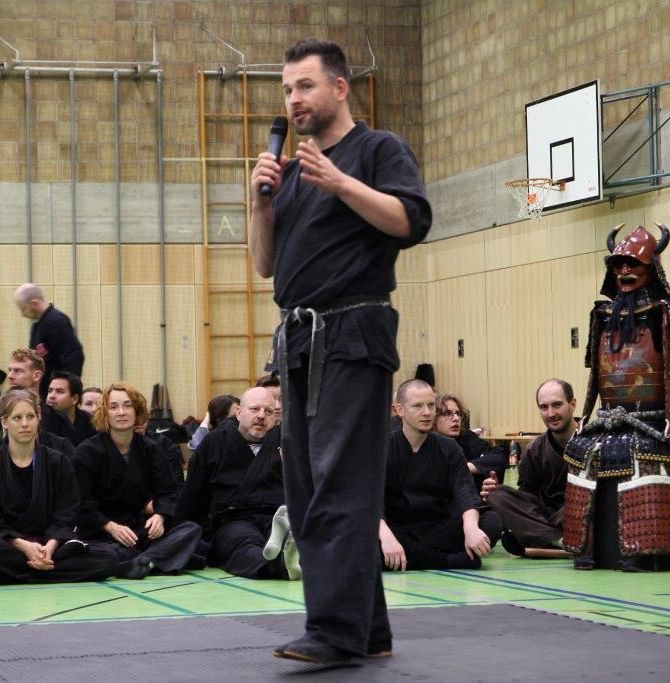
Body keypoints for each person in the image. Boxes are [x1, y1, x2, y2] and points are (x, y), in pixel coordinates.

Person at [249, 38, 432, 663]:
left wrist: (341, 182)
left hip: (353, 331)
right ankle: (368, 631)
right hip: (299, 340)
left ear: (339, 87)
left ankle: (332, 630)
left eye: (304, 86)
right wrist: (260, 201)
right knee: (306, 486)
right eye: (287, 90)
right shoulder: (292, 173)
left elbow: (410, 221)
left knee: (340, 484)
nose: (293, 99)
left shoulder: (377, 150)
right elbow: (264, 265)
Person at [563, 225, 670, 571]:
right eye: (618, 264)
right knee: (581, 453)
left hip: (653, 417)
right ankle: (585, 549)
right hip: (610, 417)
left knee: (646, 455)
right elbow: (596, 372)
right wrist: (586, 415)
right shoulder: (602, 315)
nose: (624, 271)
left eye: (633, 264)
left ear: (651, 267)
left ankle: (643, 550)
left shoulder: (668, 310)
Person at [0, 389, 117, 585]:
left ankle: (9, 576)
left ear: (39, 417)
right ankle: (43, 571)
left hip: (49, 544)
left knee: (108, 558)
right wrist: (24, 546)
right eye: (17, 418)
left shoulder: (58, 462)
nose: (25, 424)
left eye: (30, 416)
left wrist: (50, 546)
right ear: (4, 422)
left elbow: (66, 514)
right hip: (9, 544)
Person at [71, 382, 202, 579]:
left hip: (139, 530)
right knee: (107, 554)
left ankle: (144, 561)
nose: (121, 412)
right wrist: (110, 526)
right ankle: (158, 558)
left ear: (137, 411)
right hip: (102, 533)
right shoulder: (86, 452)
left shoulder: (151, 449)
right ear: (105, 413)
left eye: (128, 406)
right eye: (113, 407)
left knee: (191, 530)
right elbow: (80, 503)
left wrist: (160, 516)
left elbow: (168, 492)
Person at [380, 380, 501, 572]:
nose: (427, 412)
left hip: (438, 527)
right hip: (396, 528)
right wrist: (386, 537)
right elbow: (369, 501)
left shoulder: (449, 447)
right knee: (363, 538)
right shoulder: (381, 448)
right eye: (418, 406)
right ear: (399, 410)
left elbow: (465, 492)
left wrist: (470, 528)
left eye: (431, 405)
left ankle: (414, 557)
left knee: (490, 521)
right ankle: (451, 561)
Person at [179, 388, 296, 580]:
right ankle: (278, 567)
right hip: (234, 520)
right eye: (255, 409)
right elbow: (193, 494)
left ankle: (292, 559)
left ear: (275, 418)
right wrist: (190, 534)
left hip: (278, 517)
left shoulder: (287, 443)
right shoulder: (215, 442)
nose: (261, 416)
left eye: (268, 411)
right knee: (243, 544)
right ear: (239, 413)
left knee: (294, 539)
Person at [483, 380, 574, 557]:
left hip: (580, 513)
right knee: (497, 495)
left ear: (572, 404)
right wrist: (501, 492)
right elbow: (528, 494)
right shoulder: (535, 448)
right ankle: (559, 540)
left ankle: (545, 539)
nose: (551, 413)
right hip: (546, 518)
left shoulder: (594, 441)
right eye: (544, 407)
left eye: (557, 405)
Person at [0, 350, 74, 458]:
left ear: (36, 376)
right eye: (10, 370)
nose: (10, 376)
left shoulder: (58, 420)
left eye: (18, 371)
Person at [13, 283, 84, 401]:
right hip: (44, 391)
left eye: (24, 309)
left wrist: (68, 388)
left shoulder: (56, 322)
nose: (23, 314)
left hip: (56, 393)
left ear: (34, 303)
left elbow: (73, 356)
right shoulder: (38, 326)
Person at [433, 393, 507, 489]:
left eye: (458, 413)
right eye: (447, 413)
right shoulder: (427, 444)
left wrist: (464, 468)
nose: (456, 418)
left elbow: (500, 455)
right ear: (433, 418)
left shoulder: (466, 437)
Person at [42, 371, 96, 447]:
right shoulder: (40, 420)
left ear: (74, 399)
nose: (52, 396)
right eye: (50, 391)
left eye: (59, 391)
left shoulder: (90, 422)